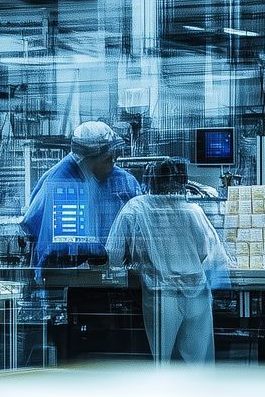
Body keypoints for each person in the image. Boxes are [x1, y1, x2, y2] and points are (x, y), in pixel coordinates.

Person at [105, 159, 230, 364]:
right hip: (196, 293)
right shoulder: (193, 210)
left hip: (161, 295)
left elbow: (113, 255)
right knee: (199, 368)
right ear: (183, 181)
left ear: (149, 181)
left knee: (161, 365)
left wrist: (135, 263)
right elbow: (215, 257)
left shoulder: (136, 208)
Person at [20, 121, 142, 270]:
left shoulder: (124, 182)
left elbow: (139, 231)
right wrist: (95, 251)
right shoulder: (59, 181)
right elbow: (47, 238)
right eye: (106, 159)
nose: (112, 163)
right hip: (66, 276)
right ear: (85, 159)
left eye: (113, 157)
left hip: (115, 276)